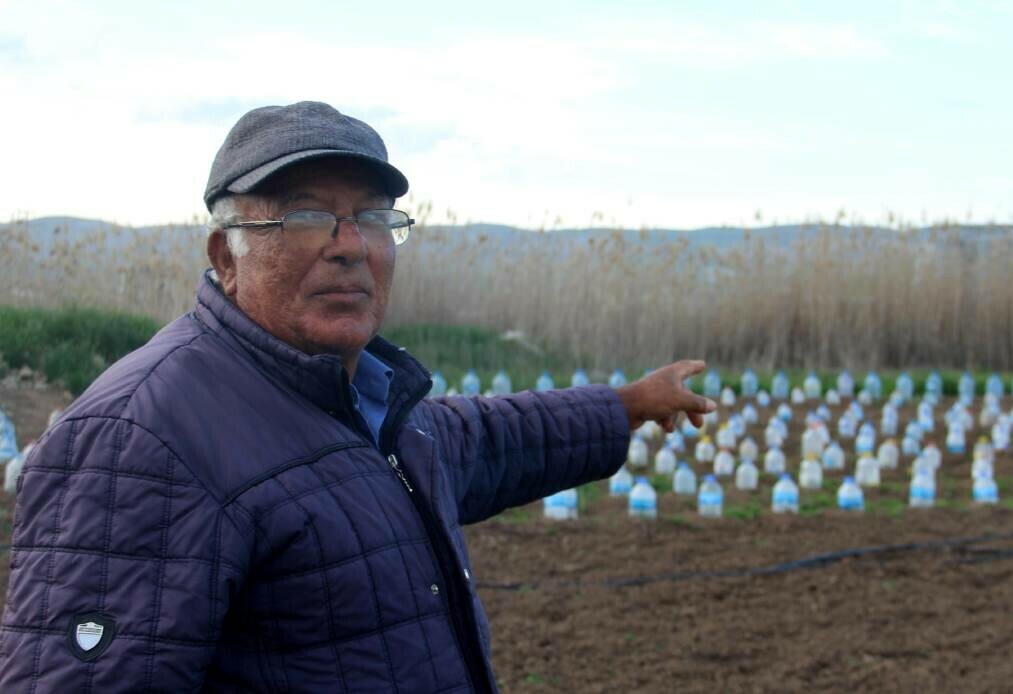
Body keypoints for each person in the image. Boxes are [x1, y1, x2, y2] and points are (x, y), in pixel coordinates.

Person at [0, 101, 715, 691]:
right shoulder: (143, 438)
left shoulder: (363, 398)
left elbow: (486, 438)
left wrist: (626, 404)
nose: (349, 245)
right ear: (225, 257)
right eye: (306, 215)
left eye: (372, 217)